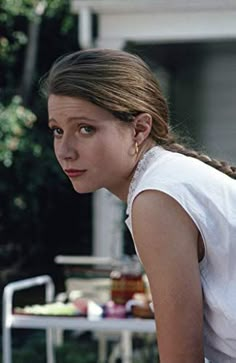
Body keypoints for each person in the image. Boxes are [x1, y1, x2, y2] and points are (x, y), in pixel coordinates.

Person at [41, 48, 236, 363]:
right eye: (57, 130)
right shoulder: (168, 177)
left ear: (139, 129)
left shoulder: (156, 196)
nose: (65, 150)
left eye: (85, 129)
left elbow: (181, 358)